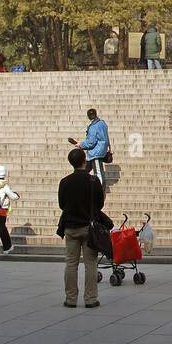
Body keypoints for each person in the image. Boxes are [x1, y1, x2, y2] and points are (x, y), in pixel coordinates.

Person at [57, 148, 111, 308]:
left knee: (71, 263)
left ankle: (71, 299)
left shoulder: (64, 182)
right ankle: (90, 298)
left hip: (70, 227)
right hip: (89, 228)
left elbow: (62, 204)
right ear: (84, 161)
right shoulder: (93, 181)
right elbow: (100, 204)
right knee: (90, 263)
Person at [68, 107, 111, 191]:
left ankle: (100, 190)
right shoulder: (102, 123)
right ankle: (79, 185)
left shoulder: (94, 127)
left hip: (96, 153)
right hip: (98, 151)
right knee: (84, 170)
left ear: (88, 116)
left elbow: (91, 142)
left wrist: (80, 144)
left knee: (98, 172)